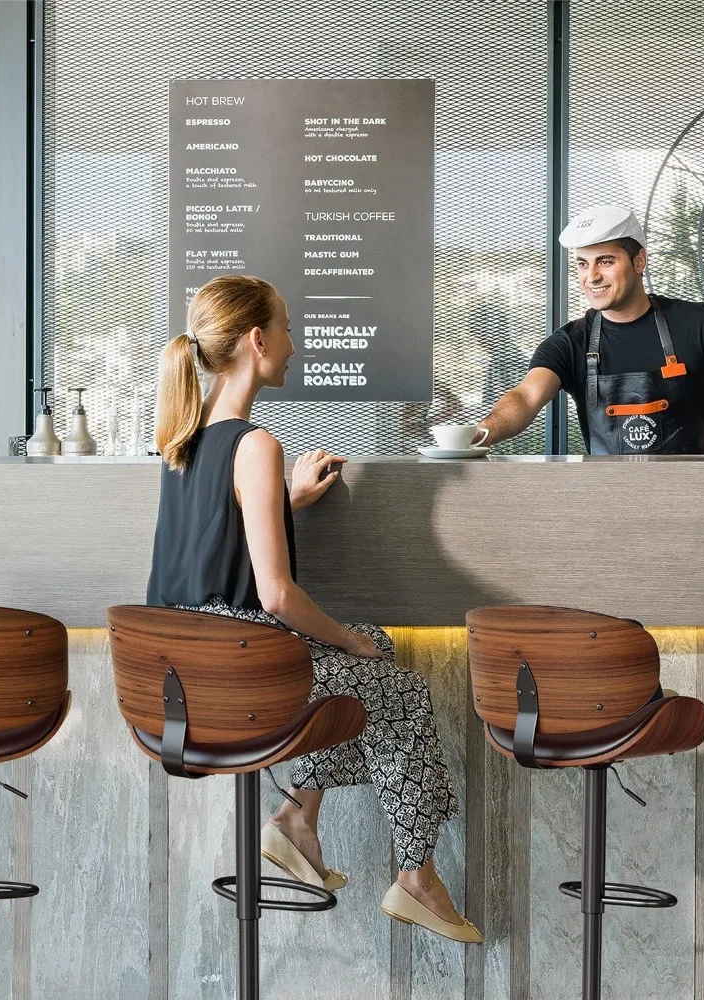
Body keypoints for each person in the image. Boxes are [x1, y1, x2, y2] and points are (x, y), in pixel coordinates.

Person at [146, 274, 482, 944]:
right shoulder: (254, 444)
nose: (296, 345)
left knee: (375, 640)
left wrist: (286, 501)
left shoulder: (182, 440)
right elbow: (274, 595)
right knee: (401, 693)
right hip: (243, 673)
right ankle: (415, 876)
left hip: (182, 674)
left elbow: (221, 538)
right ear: (256, 339)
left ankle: (299, 815)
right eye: (289, 329)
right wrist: (346, 644)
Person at [475, 204, 704, 455]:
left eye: (605, 261)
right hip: (609, 500)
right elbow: (525, 396)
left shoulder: (700, 323)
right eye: (583, 263)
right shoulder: (570, 344)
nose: (591, 276)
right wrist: (481, 434)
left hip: (698, 499)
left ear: (639, 262)